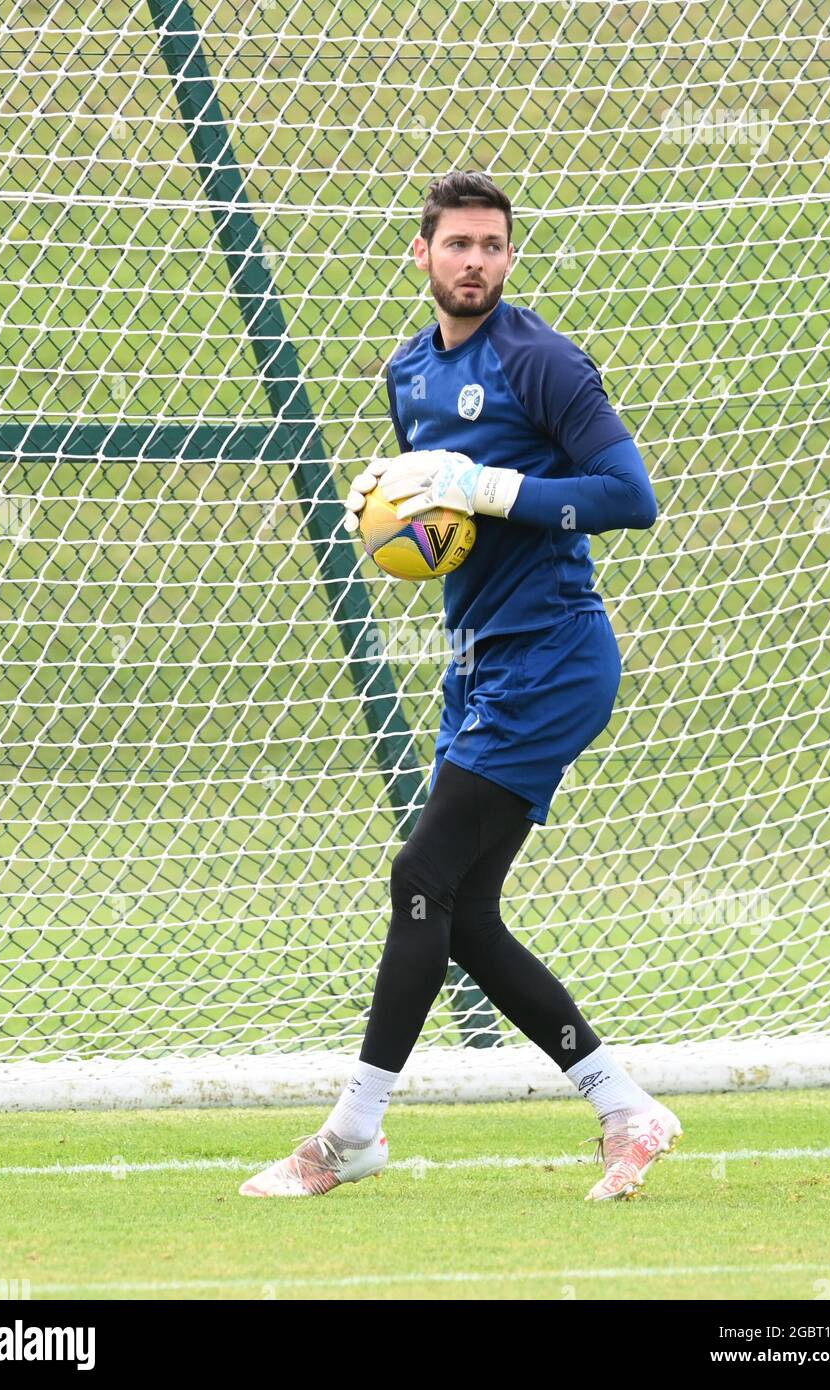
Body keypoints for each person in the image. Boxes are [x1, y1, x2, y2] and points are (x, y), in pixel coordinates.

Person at [240, 170, 682, 1203]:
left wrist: (488, 488)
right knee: (466, 914)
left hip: (557, 657)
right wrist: (398, 518)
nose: (474, 261)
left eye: (492, 245)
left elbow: (632, 496)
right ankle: (626, 1107)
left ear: (510, 257)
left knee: (419, 874)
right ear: (423, 255)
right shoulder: (406, 374)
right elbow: (442, 534)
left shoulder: (542, 363)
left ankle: (352, 1130)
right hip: (479, 665)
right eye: (457, 245)